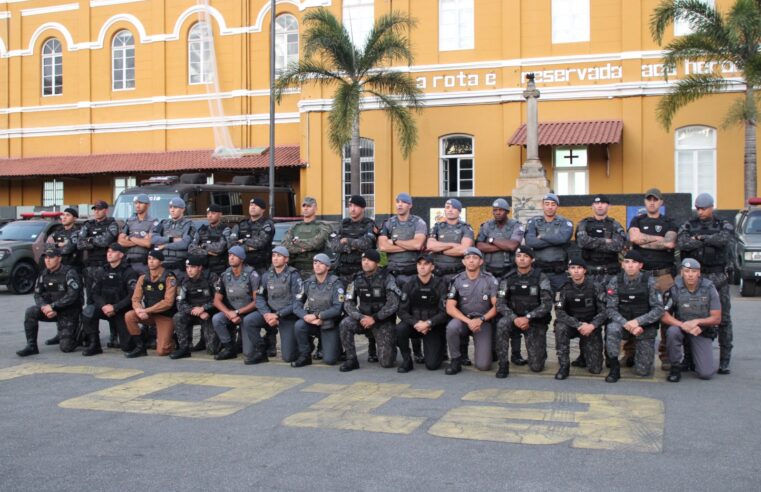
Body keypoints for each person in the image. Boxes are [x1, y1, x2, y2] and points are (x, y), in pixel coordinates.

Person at [677, 193, 734, 374]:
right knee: (688, 316)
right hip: (695, 279)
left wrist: (700, 239)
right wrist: (707, 240)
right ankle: (689, 358)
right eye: (698, 208)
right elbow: (682, 243)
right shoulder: (689, 224)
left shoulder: (723, 224)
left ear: (711, 207)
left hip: (718, 277)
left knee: (723, 319)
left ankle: (724, 360)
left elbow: (724, 239)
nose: (700, 212)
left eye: (704, 208)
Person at [573, 194, 626, 369]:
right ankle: (583, 354)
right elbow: (582, 241)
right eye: (597, 203)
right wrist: (605, 241)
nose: (600, 206)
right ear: (592, 206)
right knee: (587, 312)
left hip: (610, 276)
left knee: (610, 314)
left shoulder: (615, 224)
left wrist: (594, 242)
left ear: (608, 206)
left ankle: (611, 356)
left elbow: (618, 245)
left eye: (603, 203)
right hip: (590, 276)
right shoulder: (584, 223)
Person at [627, 188, 677, 371]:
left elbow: (670, 243)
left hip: (664, 275)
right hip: (643, 275)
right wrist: (659, 240)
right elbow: (634, 238)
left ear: (661, 202)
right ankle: (630, 352)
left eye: (655, 200)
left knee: (666, 314)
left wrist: (645, 240)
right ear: (645, 202)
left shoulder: (669, 221)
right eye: (649, 199)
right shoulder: (637, 220)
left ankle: (665, 355)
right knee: (635, 311)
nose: (652, 202)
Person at [476, 197, 527, 366]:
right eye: (495, 210)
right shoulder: (486, 226)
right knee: (490, 312)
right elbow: (479, 246)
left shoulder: (516, 226)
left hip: (509, 274)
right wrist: (500, 244)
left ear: (507, 211)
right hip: (489, 274)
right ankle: (493, 351)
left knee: (513, 310)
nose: (497, 213)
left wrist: (491, 241)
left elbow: (513, 246)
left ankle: (516, 353)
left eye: (500, 210)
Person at [378, 192, 428, 363]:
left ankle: (417, 351)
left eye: (403, 202)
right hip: (392, 275)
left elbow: (418, 244)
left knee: (414, 312)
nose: (399, 205)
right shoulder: (388, 223)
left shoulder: (418, 222)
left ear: (410, 205)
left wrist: (396, 242)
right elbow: (383, 246)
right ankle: (390, 352)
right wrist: (407, 245)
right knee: (389, 312)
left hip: (411, 275)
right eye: (397, 202)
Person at [328, 194, 377, 361]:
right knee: (340, 310)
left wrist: (347, 241)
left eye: (355, 206)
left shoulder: (369, 224)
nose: (352, 209)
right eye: (350, 205)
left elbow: (367, 244)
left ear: (363, 208)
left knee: (368, 309)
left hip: (362, 274)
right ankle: (341, 349)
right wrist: (352, 245)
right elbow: (333, 245)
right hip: (342, 273)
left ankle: (373, 348)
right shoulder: (343, 223)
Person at [605, 250, 665, 382]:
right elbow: (610, 309)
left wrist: (638, 322)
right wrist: (627, 324)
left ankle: (635, 356)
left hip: (644, 326)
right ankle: (614, 367)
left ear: (640, 265)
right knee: (612, 329)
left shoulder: (651, 282)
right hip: (623, 324)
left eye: (634, 262)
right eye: (627, 262)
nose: (630, 265)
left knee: (643, 371)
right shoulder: (615, 281)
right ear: (622, 265)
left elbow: (658, 309)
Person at [339, 249, 402, 372]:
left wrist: (374, 318)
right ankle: (351, 360)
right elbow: (348, 302)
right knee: (345, 324)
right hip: (363, 319)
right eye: (363, 260)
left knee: (386, 362)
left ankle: (389, 344)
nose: (366, 263)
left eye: (369, 260)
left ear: (377, 262)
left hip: (382, 321)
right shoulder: (357, 278)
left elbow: (393, 303)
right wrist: (360, 317)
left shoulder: (387, 277)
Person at [495, 246, 553, 377]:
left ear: (532, 259)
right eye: (519, 256)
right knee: (501, 324)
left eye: (525, 256)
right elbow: (500, 303)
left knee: (536, 367)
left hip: (534, 321)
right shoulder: (508, 278)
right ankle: (503, 364)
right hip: (513, 318)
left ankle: (539, 354)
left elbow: (547, 304)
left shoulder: (541, 277)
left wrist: (528, 317)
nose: (521, 259)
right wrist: (515, 318)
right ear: (515, 259)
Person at [662, 258, 721, 382]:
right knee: (672, 332)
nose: (690, 275)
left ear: (699, 273)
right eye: (687, 271)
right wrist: (683, 325)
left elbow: (716, 318)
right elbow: (664, 315)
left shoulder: (709, 288)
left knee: (706, 373)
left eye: (694, 271)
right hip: (681, 327)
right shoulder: (675, 288)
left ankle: (693, 359)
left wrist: (697, 322)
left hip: (701, 330)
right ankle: (675, 368)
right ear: (682, 272)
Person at [16, 245, 82, 357]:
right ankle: (31, 346)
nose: (48, 260)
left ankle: (81, 332)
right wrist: (44, 307)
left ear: (59, 258)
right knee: (31, 311)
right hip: (50, 310)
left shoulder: (69, 273)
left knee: (66, 347)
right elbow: (37, 294)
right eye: (46, 257)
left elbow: (73, 295)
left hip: (69, 311)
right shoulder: (44, 274)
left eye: (51, 257)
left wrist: (53, 306)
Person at [444, 247, 498, 375]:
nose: (471, 261)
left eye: (475, 258)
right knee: (452, 327)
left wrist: (480, 320)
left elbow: (497, 306)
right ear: (463, 262)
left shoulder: (490, 280)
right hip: (464, 320)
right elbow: (450, 307)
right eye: (468, 258)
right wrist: (469, 321)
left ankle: (486, 351)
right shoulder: (457, 280)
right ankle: (456, 360)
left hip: (483, 322)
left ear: (481, 262)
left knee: (484, 366)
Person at [553, 257, 607, 380]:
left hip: (591, 326)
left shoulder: (596, 286)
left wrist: (592, 325)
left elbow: (604, 311)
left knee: (595, 369)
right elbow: (559, 312)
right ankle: (564, 366)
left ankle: (584, 356)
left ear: (585, 270)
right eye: (573, 268)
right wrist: (578, 325)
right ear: (568, 271)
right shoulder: (563, 288)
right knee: (560, 327)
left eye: (579, 268)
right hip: (572, 326)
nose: (576, 271)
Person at [81, 243, 139, 356]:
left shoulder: (129, 272)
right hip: (105, 308)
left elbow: (132, 296)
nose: (109, 254)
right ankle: (95, 345)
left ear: (121, 254)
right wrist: (103, 306)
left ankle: (141, 336)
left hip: (122, 310)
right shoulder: (102, 270)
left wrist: (115, 307)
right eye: (108, 251)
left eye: (113, 251)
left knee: (127, 347)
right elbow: (95, 293)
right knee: (88, 311)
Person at [247, 246, 303, 364]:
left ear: (286, 259)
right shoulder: (267, 275)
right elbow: (260, 297)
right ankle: (261, 350)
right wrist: (266, 314)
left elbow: (297, 301)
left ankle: (299, 344)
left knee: (288, 357)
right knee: (249, 320)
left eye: (279, 256)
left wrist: (277, 315)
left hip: (288, 315)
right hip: (270, 313)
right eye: (273, 256)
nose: (275, 258)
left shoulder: (294, 275)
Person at [395, 253, 448, 372]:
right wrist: (416, 323)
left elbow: (445, 312)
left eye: (426, 264)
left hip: (433, 327)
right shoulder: (409, 284)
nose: (422, 267)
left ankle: (440, 349)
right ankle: (407, 360)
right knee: (399, 329)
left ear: (432, 267)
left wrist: (428, 323)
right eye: (419, 264)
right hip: (415, 325)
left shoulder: (441, 284)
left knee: (432, 365)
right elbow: (402, 311)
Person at [291, 254, 345, 367]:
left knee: (330, 360)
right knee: (299, 325)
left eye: (321, 263)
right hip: (312, 322)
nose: (317, 265)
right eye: (315, 263)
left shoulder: (336, 283)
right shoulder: (308, 283)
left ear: (328, 267)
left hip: (329, 323)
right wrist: (305, 316)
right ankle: (305, 355)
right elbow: (296, 304)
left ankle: (336, 347)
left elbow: (338, 308)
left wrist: (318, 316)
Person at [124, 249, 177, 358]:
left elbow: (168, 302)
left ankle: (173, 339)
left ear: (161, 262)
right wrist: (139, 311)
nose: (151, 261)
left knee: (162, 351)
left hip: (165, 316)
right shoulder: (143, 278)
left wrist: (146, 310)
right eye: (149, 259)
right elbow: (135, 299)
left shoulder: (169, 278)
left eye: (154, 259)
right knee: (129, 316)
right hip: (149, 315)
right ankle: (140, 347)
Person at [211, 245, 260, 361]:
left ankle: (262, 342)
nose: (231, 258)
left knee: (248, 353)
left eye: (234, 256)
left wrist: (238, 312)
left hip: (249, 313)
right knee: (217, 319)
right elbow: (216, 301)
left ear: (242, 259)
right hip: (232, 311)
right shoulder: (224, 275)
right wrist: (229, 313)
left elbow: (257, 301)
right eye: (229, 255)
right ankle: (229, 348)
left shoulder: (252, 274)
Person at [43, 207, 82, 347]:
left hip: (74, 270)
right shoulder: (57, 232)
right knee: (58, 299)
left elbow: (69, 248)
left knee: (74, 302)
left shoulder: (77, 232)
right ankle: (60, 333)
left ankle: (77, 332)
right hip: (58, 271)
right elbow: (47, 247)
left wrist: (57, 246)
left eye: (68, 215)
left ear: (74, 218)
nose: (64, 217)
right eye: (63, 215)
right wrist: (60, 245)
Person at [170, 255, 219, 360]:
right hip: (193, 312)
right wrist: (193, 310)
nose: (189, 270)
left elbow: (218, 299)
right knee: (178, 317)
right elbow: (180, 302)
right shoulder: (184, 280)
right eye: (187, 267)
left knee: (212, 350)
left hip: (209, 313)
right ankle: (184, 348)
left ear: (200, 268)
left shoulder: (211, 277)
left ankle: (210, 341)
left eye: (192, 267)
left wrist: (204, 308)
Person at [524, 193, 574, 292]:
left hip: (558, 273)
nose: (550, 207)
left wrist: (542, 237)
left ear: (557, 206)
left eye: (553, 204)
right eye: (547, 204)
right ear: (542, 205)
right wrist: (556, 240)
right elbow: (530, 242)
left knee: (560, 301)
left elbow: (563, 239)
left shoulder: (565, 222)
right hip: (539, 271)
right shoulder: (533, 222)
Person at [78, 200, 120, 305]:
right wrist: (96, 241)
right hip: (90, 266)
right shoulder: (88, 224)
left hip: (105, 266)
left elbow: (106, 241)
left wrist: (89, 240)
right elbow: (79, 244)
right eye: (95, 209)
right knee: (90, 299)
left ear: (106, 210)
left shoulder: (112, 224)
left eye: (99, 209)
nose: (96, 212)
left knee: (105, 298)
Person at [280, 196, 332, 280]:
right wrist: (300, 250)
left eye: (309, 206)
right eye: (304, 206)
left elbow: (315, 244)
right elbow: (284, 245)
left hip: (314, 270)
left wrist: (296, 242)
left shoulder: (323, 226)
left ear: (315, 209)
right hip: (295, 268)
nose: (305, 208)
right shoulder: (295, 227)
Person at [229, 197, 275, 275]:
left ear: (263, 210)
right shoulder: (241, 224)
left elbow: (260, 243)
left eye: (256, 206)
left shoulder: (267, 224)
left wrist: (243, 241)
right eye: (251, 205)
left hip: (261, 268)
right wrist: (248, 248)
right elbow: (232, 244)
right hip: (242, 266)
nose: (252, 207)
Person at [151, 197, 194, 277]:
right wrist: (171, 239)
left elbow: (184, 244)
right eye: (170, 207)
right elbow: (153, 239)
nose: (172, 210)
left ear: (183, 209)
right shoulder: (163, 223)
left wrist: (164, 245)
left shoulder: (188, 224)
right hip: (163, 264)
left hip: (179, 265)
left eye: (175, 207)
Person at [118, 194, 157, 276]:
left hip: (143, 263)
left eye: (141, 203)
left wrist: (130, 237)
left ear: (148, 205)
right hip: (128, 262)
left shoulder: (153, 221)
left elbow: (148, 243)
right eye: (136, 203)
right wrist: (141, 240)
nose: (137, 206)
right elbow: (120, 241)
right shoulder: (129, 221)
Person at [189, 204, 231, 276]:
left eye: (213, 213)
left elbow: (219, 248)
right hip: (203, 269)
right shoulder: (202, 230)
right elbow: (191, 248)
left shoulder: (225, 229)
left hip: (219, 269)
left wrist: (202, 246)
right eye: (208, 213)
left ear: (220, 214)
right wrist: (207, 252)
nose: (210, 215)